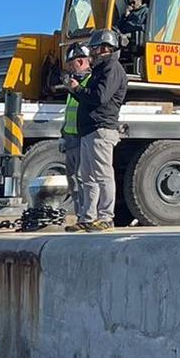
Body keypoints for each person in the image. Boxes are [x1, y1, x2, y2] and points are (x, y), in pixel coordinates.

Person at [73, 29, 128, 232]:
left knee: (103, 174)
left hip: (101, 129)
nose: (92, 53)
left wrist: (78, 89)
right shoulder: (101, 69)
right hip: (90, 130)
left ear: (105, 48)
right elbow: (92, 98)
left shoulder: (112, 69)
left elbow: (100, 97)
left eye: (95, 48)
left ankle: (106, 217)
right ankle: (88, 217)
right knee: (88, 176)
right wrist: (76, 89)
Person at [59, 41, 92, 225]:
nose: (71, 68)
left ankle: (85, 215)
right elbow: (69, 111)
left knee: (82, 177)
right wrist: (62, 134)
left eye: (72, 64)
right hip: (70, 137)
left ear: (80, 62)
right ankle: (80, 214)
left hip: (81, 137)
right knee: (72, 179)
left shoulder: (88, 83)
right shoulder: (74, 84)